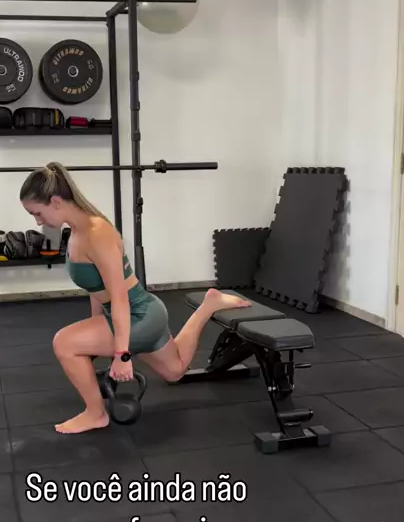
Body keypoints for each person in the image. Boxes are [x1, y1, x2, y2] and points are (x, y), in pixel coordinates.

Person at [20, 162, 251, 434]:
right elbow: (96, 289)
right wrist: (95, 335)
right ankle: (208, 305)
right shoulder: (76, 233)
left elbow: (119, 298)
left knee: (64, 343)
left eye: (37, 213)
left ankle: (95, 414)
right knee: (175, 371)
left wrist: (121, 354)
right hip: (135, 316)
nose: (37, 221)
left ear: (56, 202)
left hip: (138, 315)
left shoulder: (97, 234)